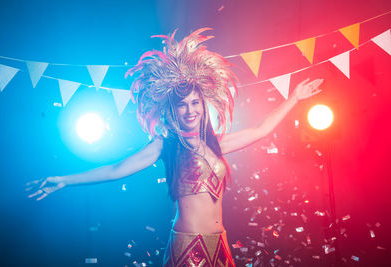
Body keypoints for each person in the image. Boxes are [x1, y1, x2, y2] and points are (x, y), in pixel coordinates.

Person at [26, 28, 323, 266]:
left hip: (219, 245)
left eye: (195, 103)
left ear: (204, 107)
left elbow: (260, 130)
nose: (190, 110)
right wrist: (65, 180)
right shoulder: (166, 146)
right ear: (173, 110)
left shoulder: (216, 144)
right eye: (183, 105)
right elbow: (118, 169)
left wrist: (294, 98)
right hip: (187, 248)